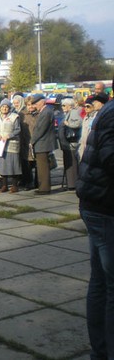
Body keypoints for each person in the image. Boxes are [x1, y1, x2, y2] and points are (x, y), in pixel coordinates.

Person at [76, 77, 114, 360]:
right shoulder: (111, 115)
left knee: (101, 282)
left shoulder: (107, 112)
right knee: (108, 285)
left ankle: (100, 351)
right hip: (105, 207)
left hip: (99, 202)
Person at [0, 99, 22, 193]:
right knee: (2, 166)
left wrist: (9, 136)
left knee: (13, 165)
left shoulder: (14, 117)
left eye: (6, 107)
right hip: (1, 145)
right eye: (3, 107)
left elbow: (18, 130)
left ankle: (14, 185)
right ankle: (4, 185)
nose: (4, 108)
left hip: (11, 144)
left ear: (9, 108)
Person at [29, 94, 56, 195]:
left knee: (43, 167)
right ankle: (42, 187)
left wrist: (32, 141)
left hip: (43, 143)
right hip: (42, 143)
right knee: (41, 167)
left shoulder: (46, 112)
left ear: (42, 102)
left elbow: (40, 129)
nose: (35, 106)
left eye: (36, 103)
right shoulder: (44, 111)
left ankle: (44, 188)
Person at [58, 98, 82, 191]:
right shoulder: (68, 113)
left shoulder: (74, 112)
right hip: (67, 142)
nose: (62, 107)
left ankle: (73, 184)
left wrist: (68, 124)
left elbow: (78, 123)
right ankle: (71, 183)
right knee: (69, 162)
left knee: (72, 163)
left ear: (70, 106)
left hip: (72, 142)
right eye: (62, 105)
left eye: (64, 105)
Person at [79, 93, 109, 160]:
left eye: (96, 102)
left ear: (101, 103)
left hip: (94, 152)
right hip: (86, 150)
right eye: (85, 106)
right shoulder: (87, 117)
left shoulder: (102, 117)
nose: (94, 103)